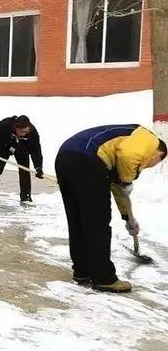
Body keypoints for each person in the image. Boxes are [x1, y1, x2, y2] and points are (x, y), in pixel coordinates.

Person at [55, 125, 166, 293]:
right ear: (159, 153)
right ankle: (104, 278)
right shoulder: (150, 140)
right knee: (97, 223)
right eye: (156, 161)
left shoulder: (119, 147)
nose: (150, 165)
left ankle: (82, 271)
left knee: (78, 219)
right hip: (88, 160)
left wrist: (127, 217)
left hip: (66, 157)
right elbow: (128, 157)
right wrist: (128, 180)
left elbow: (117, 188)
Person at [0, 115, 43, 204]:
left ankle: (25, 197)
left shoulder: (32, 132)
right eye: (21, 131)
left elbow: (36, 150)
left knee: (24, 169)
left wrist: (38, 167)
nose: (23, 134)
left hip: (21, 147)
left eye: (25, 131)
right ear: (15, 127)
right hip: (4, 145)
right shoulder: (3, 126)